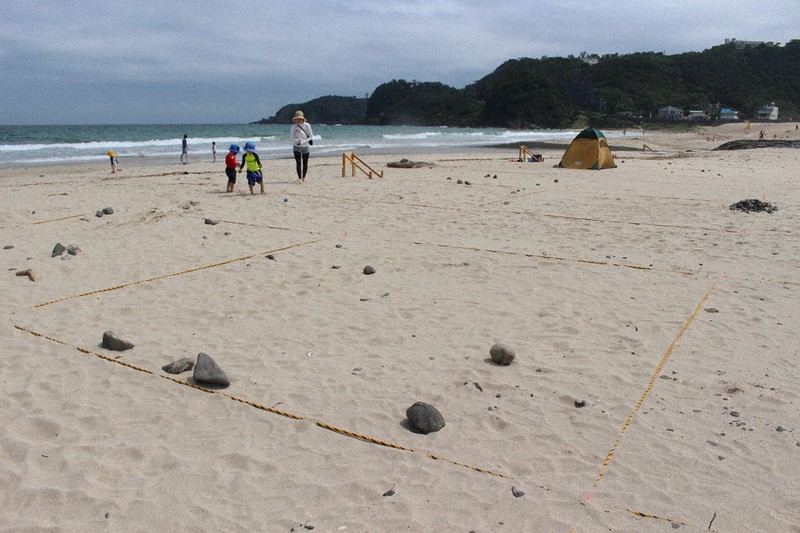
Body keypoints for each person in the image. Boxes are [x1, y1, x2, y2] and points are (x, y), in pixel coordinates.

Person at [289, 110, 313, 183]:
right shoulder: (293, 126)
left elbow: (311, 137)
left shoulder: (307, 125)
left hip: (306, 147)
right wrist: (296, 140)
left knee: (305, 163)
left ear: (302, 119)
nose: (298, 120)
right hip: (297, 147)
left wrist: (303, 141)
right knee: (298, 163)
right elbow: (290, 137)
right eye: (297, 119)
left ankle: (303, 177)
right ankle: (299, 178)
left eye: (299, 119)